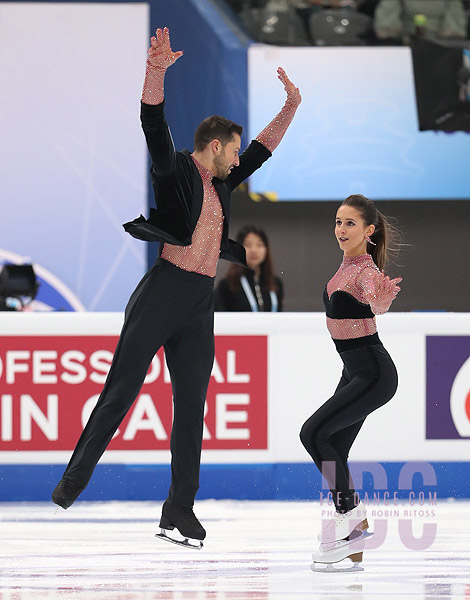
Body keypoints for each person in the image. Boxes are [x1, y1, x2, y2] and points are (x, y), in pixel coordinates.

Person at [51, 27, 301, 548]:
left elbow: (261, 150)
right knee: (121, 390)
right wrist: (155, 72)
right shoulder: (177, 174)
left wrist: (290, 108)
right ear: (213, 146)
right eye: (231, 151)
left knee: (192, 408)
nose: (238, 159)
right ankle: (72, 481)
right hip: (163, 291)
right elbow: (153, 125)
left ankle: (179, 509)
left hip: (198, 302)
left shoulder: (224, 180)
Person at [299, 194, 402, 570]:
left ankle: (352, 516)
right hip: (355, 371)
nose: (341, 230)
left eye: (350, 224)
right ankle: (352, 539)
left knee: (312, 434)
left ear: (368, 230)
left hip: (374, 373)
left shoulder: (366, 272)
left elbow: (377, 302)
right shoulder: (346, 267)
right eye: (339, 222)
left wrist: (383, 297)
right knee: (332, 447)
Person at [214, 225, 283, 312]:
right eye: (248, 245)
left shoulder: (275, 284)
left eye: (259, 245)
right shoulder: (228, 285)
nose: (254, 250)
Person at [374, 0, 467, 43]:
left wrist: (445, 40)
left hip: (442, 46)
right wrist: (402, 39)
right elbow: (386, 24)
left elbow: (455, 26)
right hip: (407, 43)